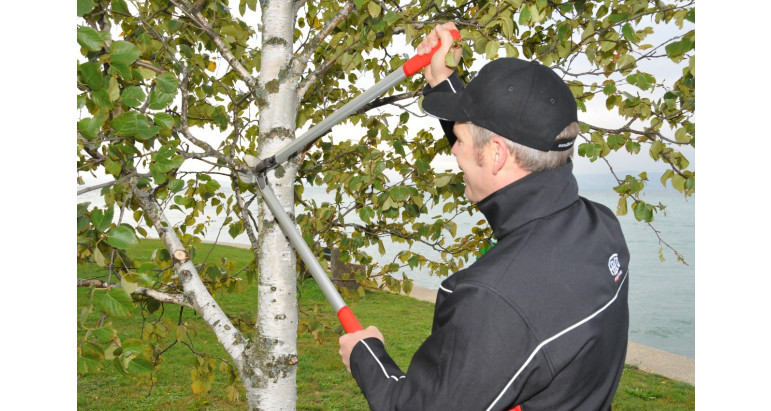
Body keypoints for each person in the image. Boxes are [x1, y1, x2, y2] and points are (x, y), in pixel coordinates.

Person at [338, 22, 630, 411]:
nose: (454, 152)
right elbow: (506, 176)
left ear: (497, 154)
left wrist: (366, 354)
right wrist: (444, 83)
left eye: (458, 141)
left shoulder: (494, 301)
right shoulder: (600, 228)